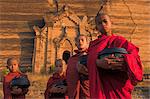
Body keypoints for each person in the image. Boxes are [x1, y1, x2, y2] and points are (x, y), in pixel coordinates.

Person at [87, 12, 143, 99]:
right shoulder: (93, 45)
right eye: (99, 23)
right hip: (102, 86)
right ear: (96, 27)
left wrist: (124, 61)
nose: (103, 24)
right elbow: (88, 60)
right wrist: (98, 63)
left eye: (105, 21)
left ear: (111, 23)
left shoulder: (120, 41)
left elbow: (135, 55)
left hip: (118, 86)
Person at [66, 34, 90, 99]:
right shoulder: (71, 59)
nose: (80, 42)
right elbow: (68, 77)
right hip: (73, 91)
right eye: (78, 40)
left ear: (87, 43)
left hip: (87, 91)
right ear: (75, 43)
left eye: (82, 40)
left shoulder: (91, 57)